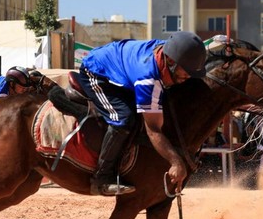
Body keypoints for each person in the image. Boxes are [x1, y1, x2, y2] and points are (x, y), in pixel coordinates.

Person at [77, 31, 207, 196]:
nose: (188, 76)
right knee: (124, 119)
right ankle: (101, 177)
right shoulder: (147, 79)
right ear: (171, 61)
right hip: (95, 70)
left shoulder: (171, 50)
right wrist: (176, 162)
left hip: (122, 65)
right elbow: (153, 129)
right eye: (186, 71)